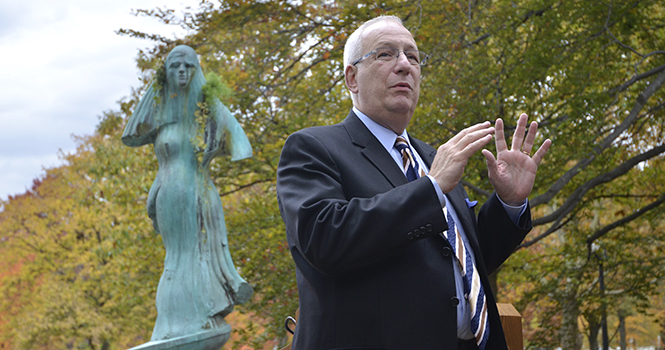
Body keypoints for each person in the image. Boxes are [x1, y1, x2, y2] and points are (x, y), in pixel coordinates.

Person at [276, 16, 551, 350]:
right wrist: (431, 187)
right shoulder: (313, 148)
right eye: (386, 54)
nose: (405, 65)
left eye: (413, 56)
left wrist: (508, 203)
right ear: (352, 78)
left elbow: (461, 263)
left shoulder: (432, 157)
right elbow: (326, 239)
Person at [122, 45, 253, 341]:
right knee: (177, 259)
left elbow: (241, 145)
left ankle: (197, 320)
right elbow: (150, 150)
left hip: (199, 193)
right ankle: (172, 326)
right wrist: (153, 193)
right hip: (169, 194)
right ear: (166, 73)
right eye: (175, 66)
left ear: (196, 71)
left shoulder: (206, 111)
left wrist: (212, 111)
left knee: (196, 256)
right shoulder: (162, 114)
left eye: (188, 66)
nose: (182, 71)